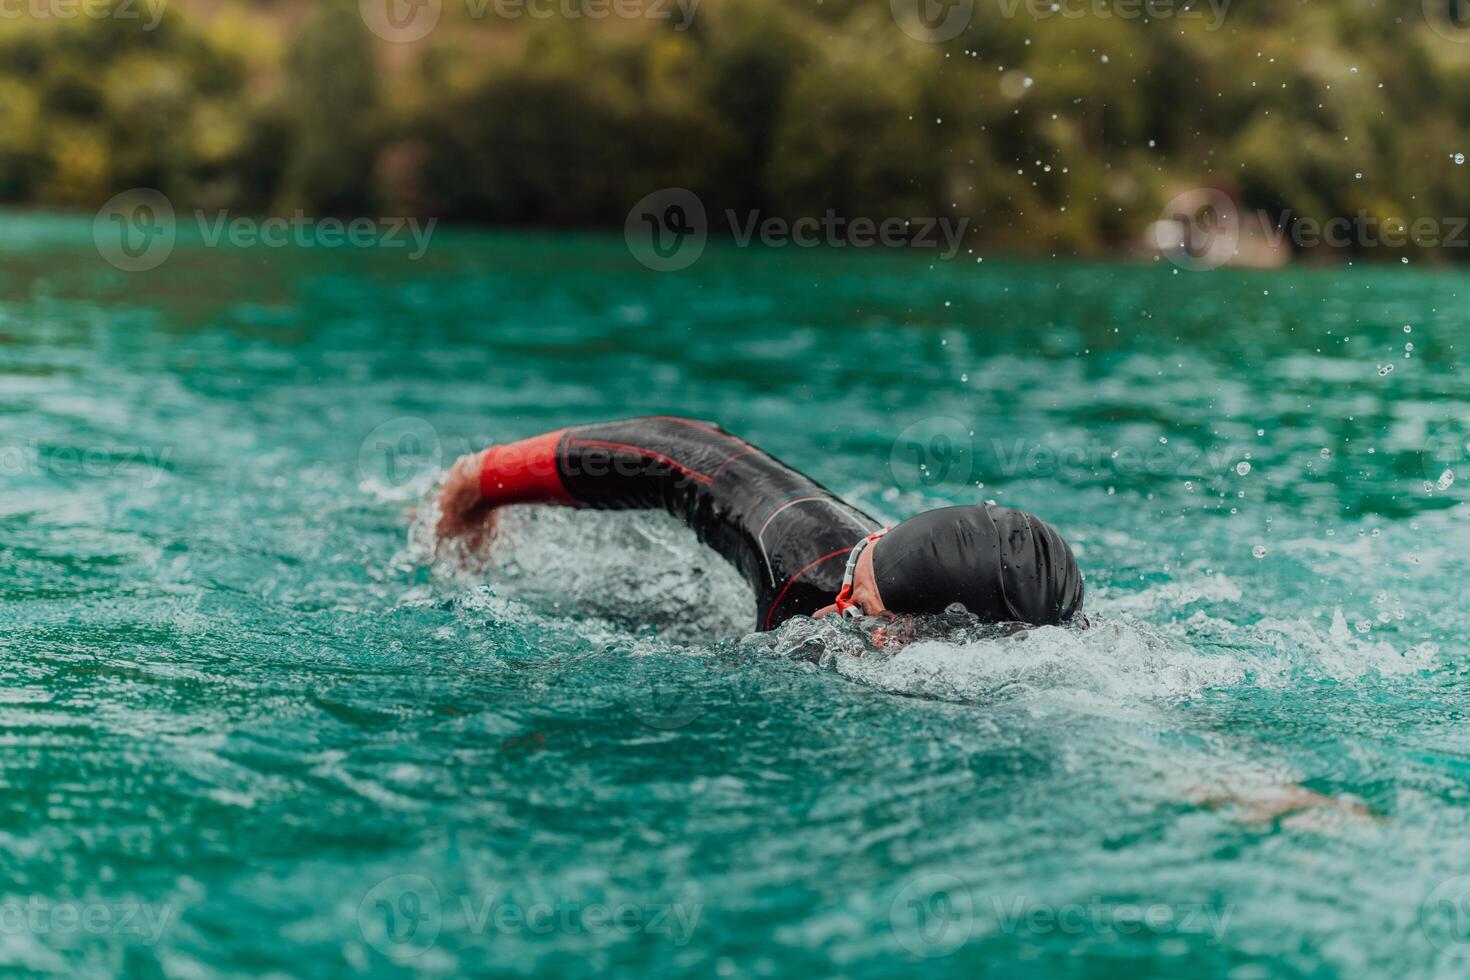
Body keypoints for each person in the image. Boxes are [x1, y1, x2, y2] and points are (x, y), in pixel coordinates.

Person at [435, 416, 1083, 632]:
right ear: (875, 542)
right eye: (852, 599)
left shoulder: (1044, 647)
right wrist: (479, 482)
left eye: (866, 616)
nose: (835, 617)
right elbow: (678, 449)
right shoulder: (796, 547)